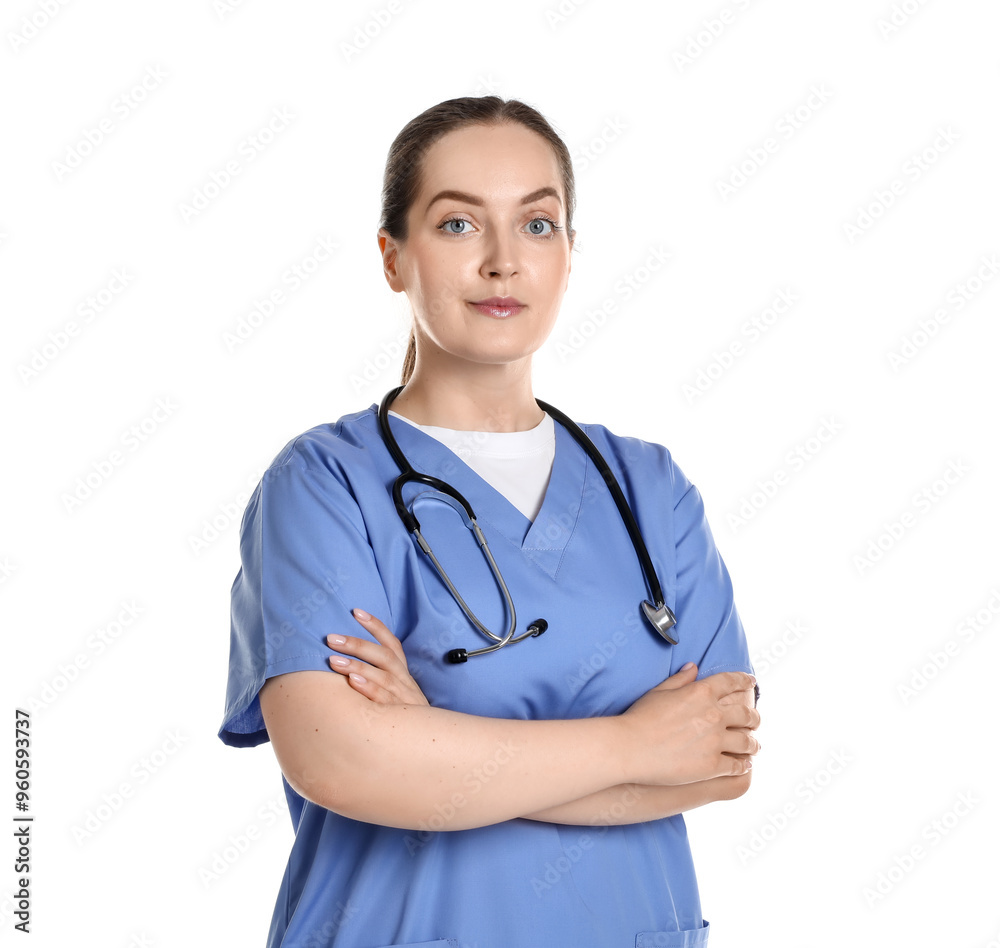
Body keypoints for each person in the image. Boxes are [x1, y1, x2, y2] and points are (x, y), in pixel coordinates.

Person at [219, 95, 761, 948]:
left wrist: (431, 740)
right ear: (393, 257)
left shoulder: (649, 487)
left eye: (538, 225)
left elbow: (720, 760)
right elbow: (341, 759)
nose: (504, 262)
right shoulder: (325, 483)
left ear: (571, 256)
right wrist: (638, 744)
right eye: (459, 225)